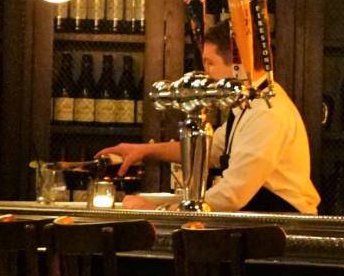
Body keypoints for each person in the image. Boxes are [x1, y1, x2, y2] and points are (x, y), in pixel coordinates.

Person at [104, 21, 319, 214]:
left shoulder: (266, 113)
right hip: (261, 220)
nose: (207, 73)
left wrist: (162, 209)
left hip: (281, 226)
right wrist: (144, 151)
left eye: (210, 63)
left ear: (239, 63)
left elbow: (231, 195)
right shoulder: (248, 104)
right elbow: (210, 150)